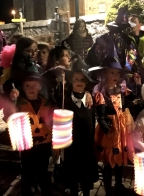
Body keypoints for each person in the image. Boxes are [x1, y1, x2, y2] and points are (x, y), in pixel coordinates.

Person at [90, 55, 140, 195]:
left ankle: (118, 185)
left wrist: (138, 84)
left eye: (118, 73)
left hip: (122, 130)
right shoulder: (101, 94)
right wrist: (107, 130)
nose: (116, 75)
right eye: (112, 72)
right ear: (104, 73)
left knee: (120, 159)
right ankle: (107, 189)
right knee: (108, 161)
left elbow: (137, 100)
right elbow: (100, 117)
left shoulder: (122, 90)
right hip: (110, 131)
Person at [9, 72, 54, 196]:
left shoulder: (47, 103)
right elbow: (9, 116)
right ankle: (27, 190)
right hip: (27, 143)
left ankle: (44, 188)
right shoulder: (19, 103)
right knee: (27, 169)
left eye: (34, 85)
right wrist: (12, 101)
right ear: (22, 88)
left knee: (43, 168)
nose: (31, 89)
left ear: (40, 87)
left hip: (44, 142)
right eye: (27, 86)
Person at [62, 55, 98, 196]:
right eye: (76, 79)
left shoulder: (90, 99)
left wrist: (89, 93)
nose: (79, 82)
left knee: (86, 173)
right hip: (71, 144)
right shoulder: (65, 99)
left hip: (87, 144)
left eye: (83, 80)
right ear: (70, 81)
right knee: (72, 172)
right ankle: (74, 191)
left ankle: (86, 191)